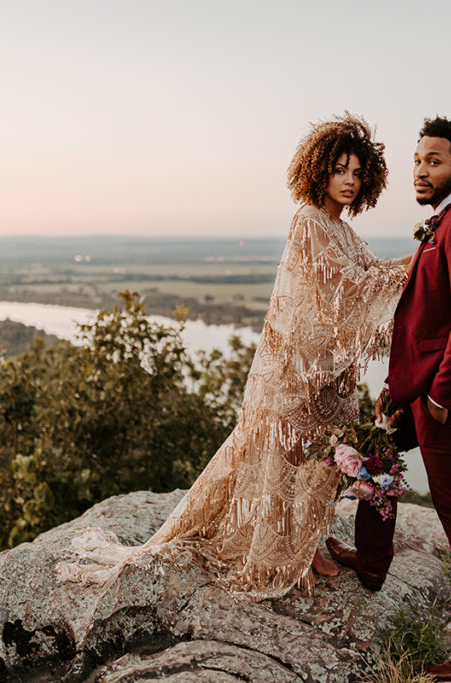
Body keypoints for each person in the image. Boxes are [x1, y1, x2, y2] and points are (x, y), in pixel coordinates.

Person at [59, 113, 412, 599]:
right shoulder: (309, 221)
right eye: (339, 170)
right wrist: (414, 264)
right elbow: (345, 288)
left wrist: (417, 258)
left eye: (357, 172)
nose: (349, 181)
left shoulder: (344, 231)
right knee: (287, 460)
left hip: (329, 373)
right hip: (296, 372)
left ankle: (305, 541)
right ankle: (284, 552)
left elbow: (372, 274)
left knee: (320, 462)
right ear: (320, 172)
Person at [326, 116, 451, 681]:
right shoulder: (443, 220)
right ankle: (372, 558)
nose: (420, 169)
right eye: (418, 160)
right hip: (425, 379)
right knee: (374, 446)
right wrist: (398, 387)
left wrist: (440, 396)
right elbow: (430, 319)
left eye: (433, 161)